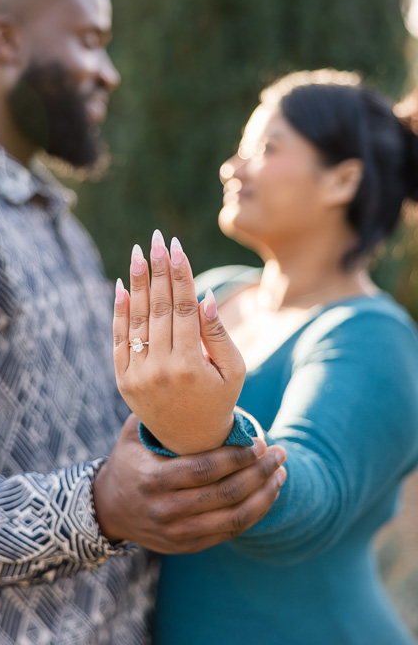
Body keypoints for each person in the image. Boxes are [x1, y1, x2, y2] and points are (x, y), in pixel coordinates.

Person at [0, 0, 287, 644]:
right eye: (89, 41)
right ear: (6, 39)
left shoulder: (48, 217)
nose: (109, 74)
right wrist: (96, 506)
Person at [113, 69, 418, 644]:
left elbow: (310, 505)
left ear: (341, 180)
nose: (233, 166)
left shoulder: (374, 337)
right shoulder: (218, 290)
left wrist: (205, 429)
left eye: (266, 148)